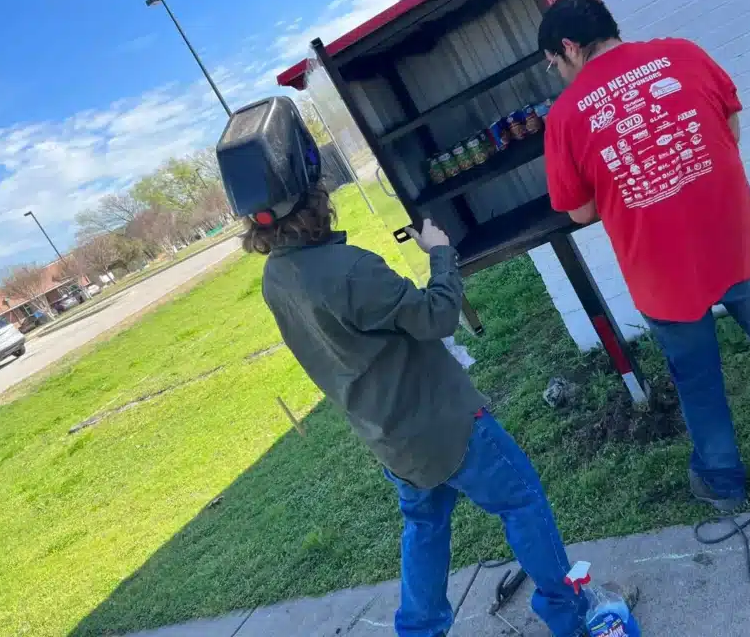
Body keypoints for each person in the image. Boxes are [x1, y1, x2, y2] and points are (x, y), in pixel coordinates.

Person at [215, 96, 588, 637]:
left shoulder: (277, 277)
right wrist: (439, 252)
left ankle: (420, 630)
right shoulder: (348, 269)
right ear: (314, 191)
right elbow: (437, 316)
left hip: (389, 437)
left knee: (424, 526)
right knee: (522, 501)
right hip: (446, 425)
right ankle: (569, 615)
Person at [538, 0, 750, 513]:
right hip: (738, 243)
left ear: (569, 47)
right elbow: (731, 130)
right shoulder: (682, 54)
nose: (558, 75)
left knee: (696, 379)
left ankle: (722, 482)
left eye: (554, 64)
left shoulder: (565, 117)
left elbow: (582, 212)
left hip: (661, 273)